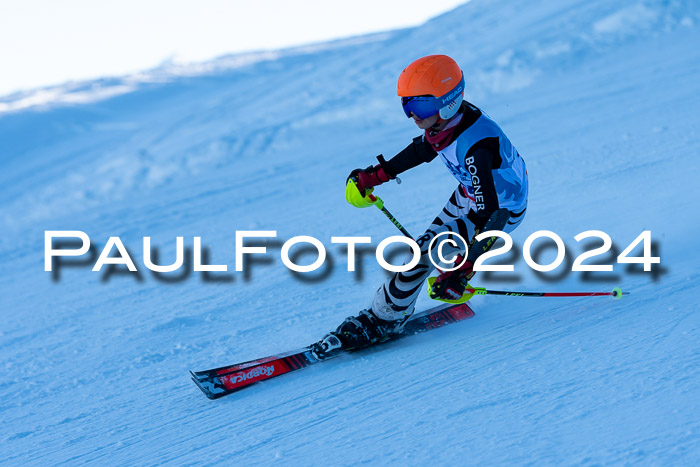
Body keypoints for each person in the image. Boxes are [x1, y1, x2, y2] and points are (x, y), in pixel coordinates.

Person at [311, 54, 528, 359]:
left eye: (421, 106)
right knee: (422, 253)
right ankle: (394, 307)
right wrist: (375, 176)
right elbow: (424, 148)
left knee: (423, 256)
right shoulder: (449, 122)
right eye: (407, 105)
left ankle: (382, 319)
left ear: (449, 101)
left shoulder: (476, 150)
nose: (413, 115)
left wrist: (464, 268)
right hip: (471, 194)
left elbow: (492, 217)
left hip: (496, 210)